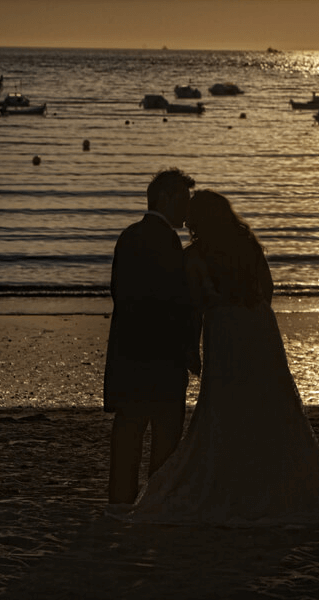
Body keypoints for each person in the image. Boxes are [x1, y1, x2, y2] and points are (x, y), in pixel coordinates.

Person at [123, 190, 319, 524]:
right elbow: (267, 288)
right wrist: (254, 318)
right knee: (269, 400)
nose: (185, 220)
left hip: (225, 327)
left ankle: (232, 475)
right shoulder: (247, 244)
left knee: (224, 403)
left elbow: (196, 306)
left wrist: (192, 347)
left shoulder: (195, 256)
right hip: (258, 325)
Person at [103, 168, 200, 505]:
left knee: (127, 432)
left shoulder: (128, 236)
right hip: (161, 357)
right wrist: (189, 348)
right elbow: (178, 302)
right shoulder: (169, 243)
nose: (187, 211)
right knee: (164, 437)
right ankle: (156, 502)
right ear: (167, 198)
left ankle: (119, 502)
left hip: (129, 352)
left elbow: (118, 290)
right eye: (184, 201)